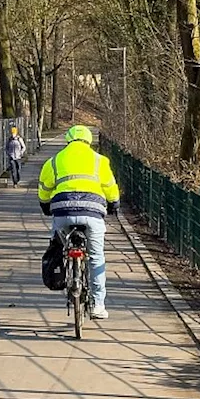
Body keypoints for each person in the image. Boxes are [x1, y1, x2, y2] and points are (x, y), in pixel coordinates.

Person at [37, 125, 120, 320]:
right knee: (96, 257)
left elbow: (44, 189)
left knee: (57, 248)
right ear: (89, 141)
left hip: (62, 210)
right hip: (92, 212)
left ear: (68, 140)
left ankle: (63, 276)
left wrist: (45, 206)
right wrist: (114, 204)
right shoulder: (100, 160)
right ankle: (98, 304)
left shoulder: (55, 160)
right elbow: (110, 187)